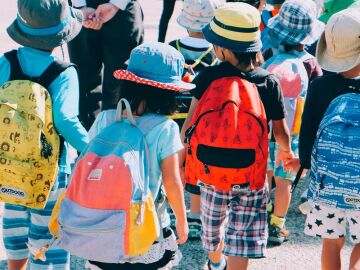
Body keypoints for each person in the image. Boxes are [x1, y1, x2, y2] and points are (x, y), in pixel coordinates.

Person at [181, 3, 293, 269]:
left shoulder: (207, 76)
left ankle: (216, 262)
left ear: (222, 48)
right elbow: (280, 130)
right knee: (242, 238)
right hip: (251, 176)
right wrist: (287, 153)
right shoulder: (268, 82)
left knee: (213, 232)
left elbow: (189, 127)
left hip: (211, 174)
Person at [85, 42, 191, 270]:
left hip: (101, 222)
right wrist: (182, 221)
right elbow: (172, 181)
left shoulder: (105, 118)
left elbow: (85, 163)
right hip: (146, 226)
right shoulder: (165, 128)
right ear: (168, 91)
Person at [0, 0, 89, 269]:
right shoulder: (64, 73)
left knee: (14, 222)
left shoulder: (7, 61)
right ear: (61, 36)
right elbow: (65, 121)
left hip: (9, 165)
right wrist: (92, 148)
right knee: (47, 233)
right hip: (49, 171)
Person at [288, 8, 360, 270]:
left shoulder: (320, 86)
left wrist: (303, 162)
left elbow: (307, 139)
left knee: (331, 244)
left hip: (328, 188)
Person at [262, 0, 324, 245]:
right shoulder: (310, 63)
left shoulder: (268, 59)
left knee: (264, 177)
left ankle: (260, 215)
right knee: (284, 182)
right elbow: (316, 98)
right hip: (293, 136)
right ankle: (277, 224)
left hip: (267, 133)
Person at [169, 0, 221, 240]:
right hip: (201, 117)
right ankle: (195, 214)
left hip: (171, 116)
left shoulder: (172, 48)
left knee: (173, 164)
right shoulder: (216, 53)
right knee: (197, 164)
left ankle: (172, 208)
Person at [68, 0, 144, 130]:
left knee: (119, 87)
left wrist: (80, 6)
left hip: (117, 10)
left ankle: (93, 144)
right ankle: (109, 143)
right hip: (120, 9)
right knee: (112, 87)